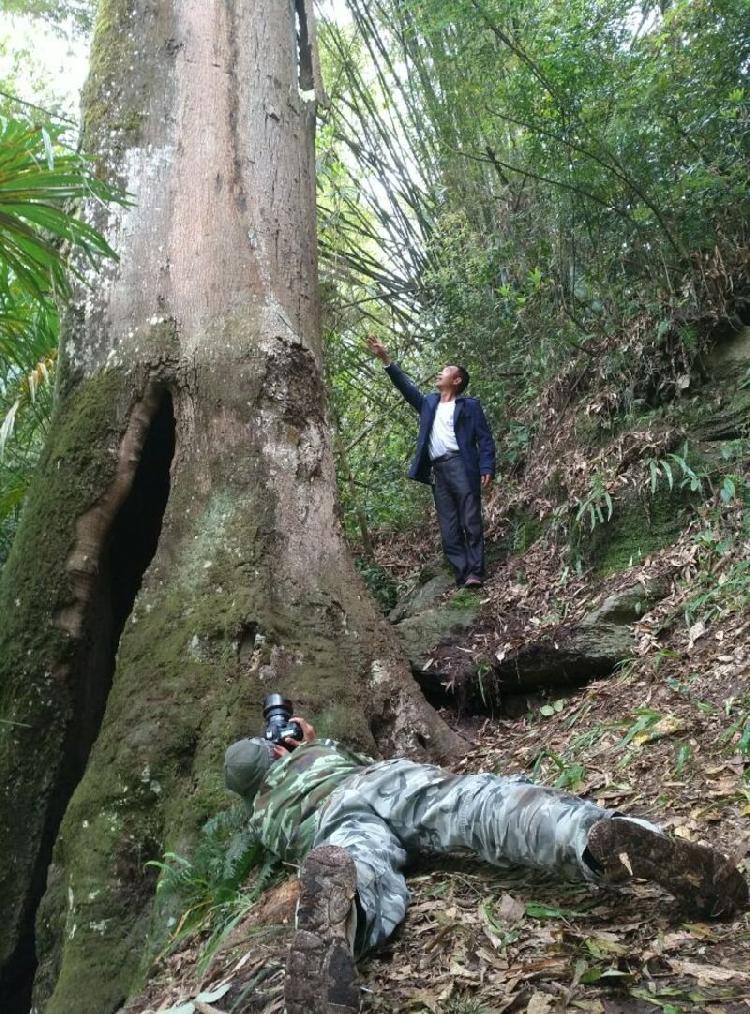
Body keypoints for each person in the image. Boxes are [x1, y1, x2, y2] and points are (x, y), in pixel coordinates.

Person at [224, 718, 748, 1014]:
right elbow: (341, 755)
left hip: (334, 823)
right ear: (273, 754)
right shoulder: (314, 753)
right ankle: (595, 840)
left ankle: (347, 914)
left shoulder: (263, 820)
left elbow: (279, 837)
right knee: (478, 806)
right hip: (379, 782)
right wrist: (306, 739)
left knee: (362, 864)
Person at [366, 336, 496, 588]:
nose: (440, 373)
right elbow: (407, 388)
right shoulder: (429, 403)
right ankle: (462, 573)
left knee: (470, 519)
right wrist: (385, 359)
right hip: (438, 471)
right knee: (448, 527)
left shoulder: (469, 406)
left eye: (446, 371)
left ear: (456, 380)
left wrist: (487, 466)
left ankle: (476, 573)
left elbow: (485, 439)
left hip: (462, 465)